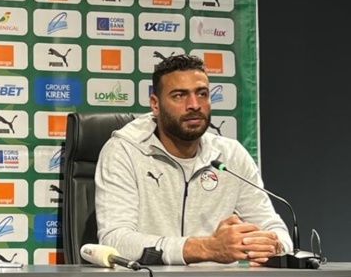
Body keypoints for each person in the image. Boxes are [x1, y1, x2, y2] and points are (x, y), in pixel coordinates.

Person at [94, 54, 292, 266]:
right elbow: (115, 241)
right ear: (155, 104)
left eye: (202, 94)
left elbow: (276, 230)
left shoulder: (231, 155)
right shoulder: (124, 151)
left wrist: (271, 245)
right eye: (180, 96)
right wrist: (206, 248)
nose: (194, 105)